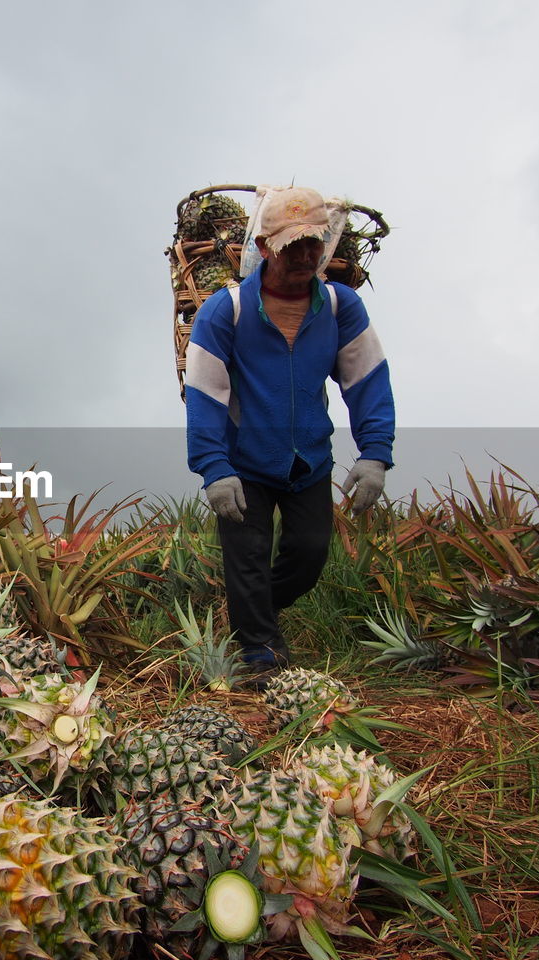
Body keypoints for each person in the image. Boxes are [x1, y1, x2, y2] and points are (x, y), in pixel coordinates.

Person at [183, 186, 395, 687]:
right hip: (243, 463)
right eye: (290, 246)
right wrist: (214, 467)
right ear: (263, 247)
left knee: (309, 554)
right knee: (248, 556)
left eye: (313, 245)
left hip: (308, 463)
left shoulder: (340, 308)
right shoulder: (225, 310)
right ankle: (258, 652)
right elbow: (205, 392)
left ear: (325, 245)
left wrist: (376, 454)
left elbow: (367, 379)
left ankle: (252, 608)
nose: (304, 256)